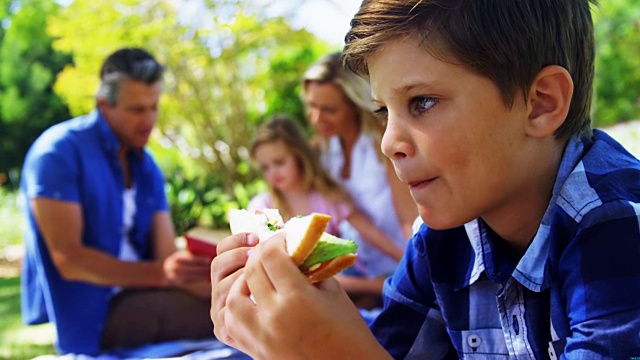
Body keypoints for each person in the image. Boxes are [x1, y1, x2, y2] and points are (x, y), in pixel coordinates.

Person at [209, 0, 640, 358]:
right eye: (383, 111)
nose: (389, 142)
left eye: (423, 102)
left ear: (540, 104)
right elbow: (384, 350)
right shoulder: (443, 237)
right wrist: (271, 331)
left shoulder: (617, 227)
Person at [20, 47, 213, 355]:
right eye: (137, 110)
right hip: (95, 314)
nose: (148, 120)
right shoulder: (57, 153)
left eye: (154, 107)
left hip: (147, 293)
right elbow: (69, 260)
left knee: (239, 302)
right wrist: (162, 274)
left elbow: (166, 256)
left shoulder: (147, 166)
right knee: (236, 319)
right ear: (103, 105)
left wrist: (214, 280)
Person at [247, 115, 404, 306]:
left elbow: (369, 232)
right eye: (265, 167)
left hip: (341, 278)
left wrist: (405, 258)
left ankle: (371, 295)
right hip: (297, 285)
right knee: (302, 276)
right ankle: (375, 289)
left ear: (299, 157)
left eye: (279, 162)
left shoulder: (326, 196)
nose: (273, 173)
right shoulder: (262, 207)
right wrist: (374, 285)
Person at [302, 52, 417, 286]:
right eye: (312, 106)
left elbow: (409, 219)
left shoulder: (380, 144)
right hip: (358, 265)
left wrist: (417, 270)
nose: (316, 118)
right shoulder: (324, 149)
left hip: (398, 266)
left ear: (354, 105)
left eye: (329, 110)